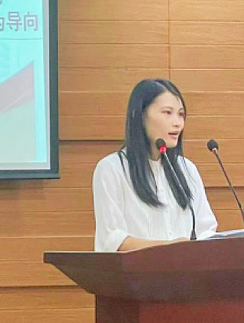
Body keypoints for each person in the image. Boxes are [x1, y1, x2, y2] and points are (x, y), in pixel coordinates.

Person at [93, 79, 217, 251]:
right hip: (136, 269)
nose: (177, 123)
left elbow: (205, 230)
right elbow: (112, 240)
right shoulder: (112, 169)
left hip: (186, 268)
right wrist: (170, 248)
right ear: (140, 116)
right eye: (167, 113)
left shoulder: (187, 169)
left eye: (181, 114)